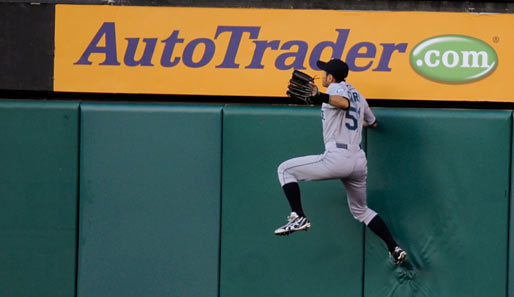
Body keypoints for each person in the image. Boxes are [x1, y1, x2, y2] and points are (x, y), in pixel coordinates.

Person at [274, 59, 407, 265]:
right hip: (358, 161)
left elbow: (343, 103)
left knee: (285, 170)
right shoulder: (360, 97)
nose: (323, 75)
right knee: (361, 210)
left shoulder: (336, 89)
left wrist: (321, 96)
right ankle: (394, 247)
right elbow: (373, 123)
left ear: (332, 77)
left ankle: (299, 216)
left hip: (337, 157)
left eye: (325, 72)